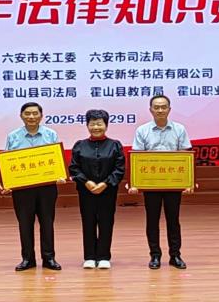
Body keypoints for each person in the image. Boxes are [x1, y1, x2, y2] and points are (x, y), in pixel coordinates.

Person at [128, 95, 194, 270]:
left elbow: (186, 157)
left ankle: (175, 255)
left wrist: (188, 182)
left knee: (173, 220)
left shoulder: (179, 129)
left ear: (169, 109)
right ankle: (155, 255)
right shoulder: (142, 130)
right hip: (151, 184)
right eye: (156, 107)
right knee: (152, 220)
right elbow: (137, 159)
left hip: (173, 183)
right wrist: (135, 183)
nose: (160, 110)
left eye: (163, 107)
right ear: (150, 110)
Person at [0, 102, 64, 272]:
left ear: (41, 116)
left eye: (35, 113)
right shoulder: (13, 136)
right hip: (22, 189)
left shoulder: (50, 134)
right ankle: (28, 259)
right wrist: (6, 182)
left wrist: (60, 175)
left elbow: (56, 160)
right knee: (25, 223)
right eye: (27, 113)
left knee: (47, 222)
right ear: (21, 116)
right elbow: (7, 163)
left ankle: (49, 258)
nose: (31, 117)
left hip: (46, 188)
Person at [69, 109, 125, 270]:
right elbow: (74, 168)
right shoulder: (79, 145)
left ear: (106, 125)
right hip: (86, 191)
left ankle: (104, 256)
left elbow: (119, 169)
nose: (96, 127)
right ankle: (89, 257)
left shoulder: (115, 145)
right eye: (92, 124)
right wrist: (86, 182)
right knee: (88, 222)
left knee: (106, 222)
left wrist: (105, 184)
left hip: (108, 191)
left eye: (99, 124)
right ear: (87, 125)